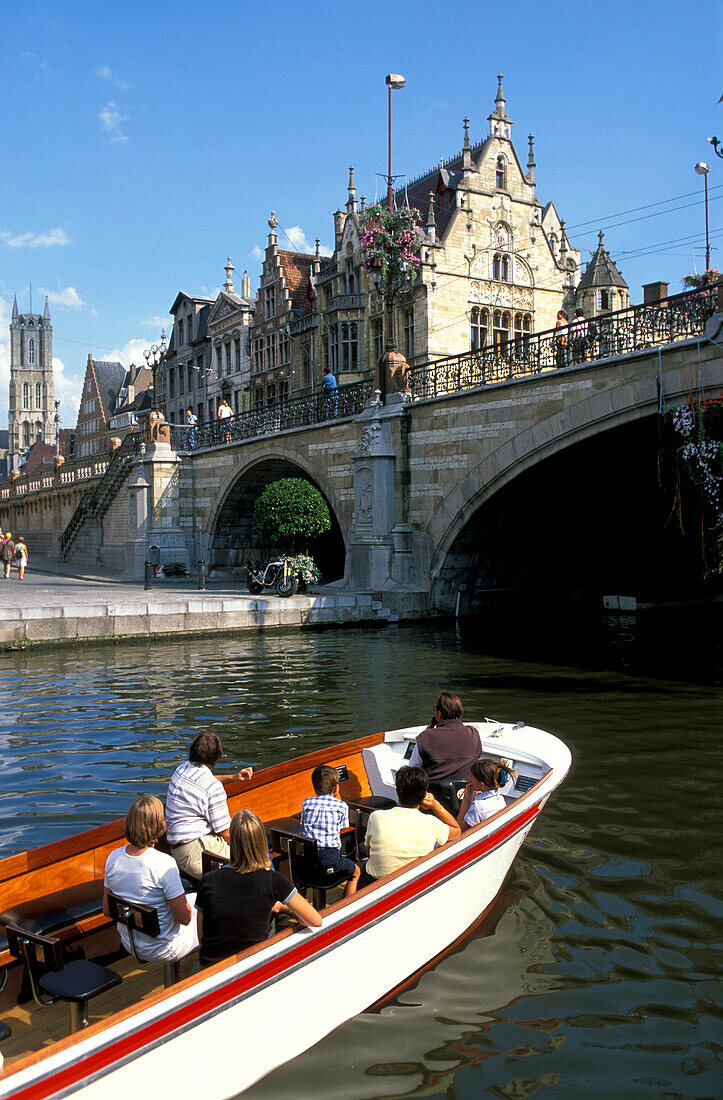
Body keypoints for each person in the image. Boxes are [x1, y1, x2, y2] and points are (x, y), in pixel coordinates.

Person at [195, 808, 322, 968]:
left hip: (210, 968)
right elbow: (315, 920)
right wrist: (285, 909)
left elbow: (202, 938)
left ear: (231, 842)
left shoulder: (208, 880)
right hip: (252, 965)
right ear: (261, 841)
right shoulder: (273, 880)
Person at [102, 795, 198, 962]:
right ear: (159, 826)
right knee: (206, 905)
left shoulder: (113, 858)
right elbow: (184, 918)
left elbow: (107, 910)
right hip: (166, 949)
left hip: (130, 943)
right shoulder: (163, 863)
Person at [165, 732, 253, 880]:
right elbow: (226, 833)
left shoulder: (182, 769)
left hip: (177, 849)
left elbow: (206, 780)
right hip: (196, 853)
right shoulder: (213, 788)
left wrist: (233, 778)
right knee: (253, 865)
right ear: (217, 757)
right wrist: (252, 849)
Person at [363, 766, 460, 882]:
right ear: (424, 795)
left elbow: (369, 852)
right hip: (413, 881)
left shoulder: (376, 817)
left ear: (398, 791)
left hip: (376, 881)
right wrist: (436, 805)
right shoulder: (431, 823)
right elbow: (457, 830)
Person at [300, 765, 360, 897]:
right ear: (335, 788)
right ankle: (347, 906)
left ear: (315, 786)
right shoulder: (341, 806)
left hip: (308, 862)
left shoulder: (306, 803)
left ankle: (302, 903)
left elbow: (304, 824)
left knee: (304, 876)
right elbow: (343, 829)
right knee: (356, 872)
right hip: (330, 860)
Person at [408, 692, 483, 782]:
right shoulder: (473, 734)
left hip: (432, 793)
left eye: (435, 709)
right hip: (465, 792)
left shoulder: (425, 737)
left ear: (439, 714)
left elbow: (413, 770)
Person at [457, 759, 517, 832]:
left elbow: (459, 830)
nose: (470, 779)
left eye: (472, 778)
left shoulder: (478, 807)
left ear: (482, 785)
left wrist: (466, 799)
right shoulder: (500, 799)